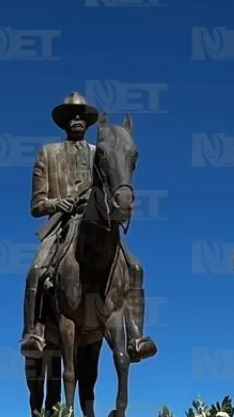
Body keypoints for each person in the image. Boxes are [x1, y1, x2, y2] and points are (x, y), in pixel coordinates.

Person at [23, 92, 157, 364]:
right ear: (63, 123)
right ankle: (33, 332)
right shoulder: (48, 153)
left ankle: (136, 337)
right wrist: (58, 202)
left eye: (82, 116)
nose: (77, 120)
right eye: (71, 116)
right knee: (36, 270)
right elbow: (36, 205)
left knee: (135, 268)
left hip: (97, 224)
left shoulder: (101, 152)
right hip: (62, 224)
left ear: (88, 123)